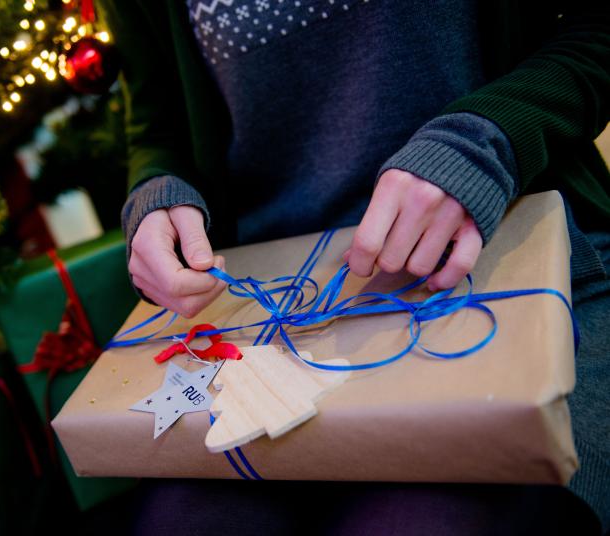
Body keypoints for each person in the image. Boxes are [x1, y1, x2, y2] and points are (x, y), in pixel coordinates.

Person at [96, 0, 610, 532]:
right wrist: (155, 195)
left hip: (514, 258)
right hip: (265, 320)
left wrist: (484, 140)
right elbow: (160, 128)